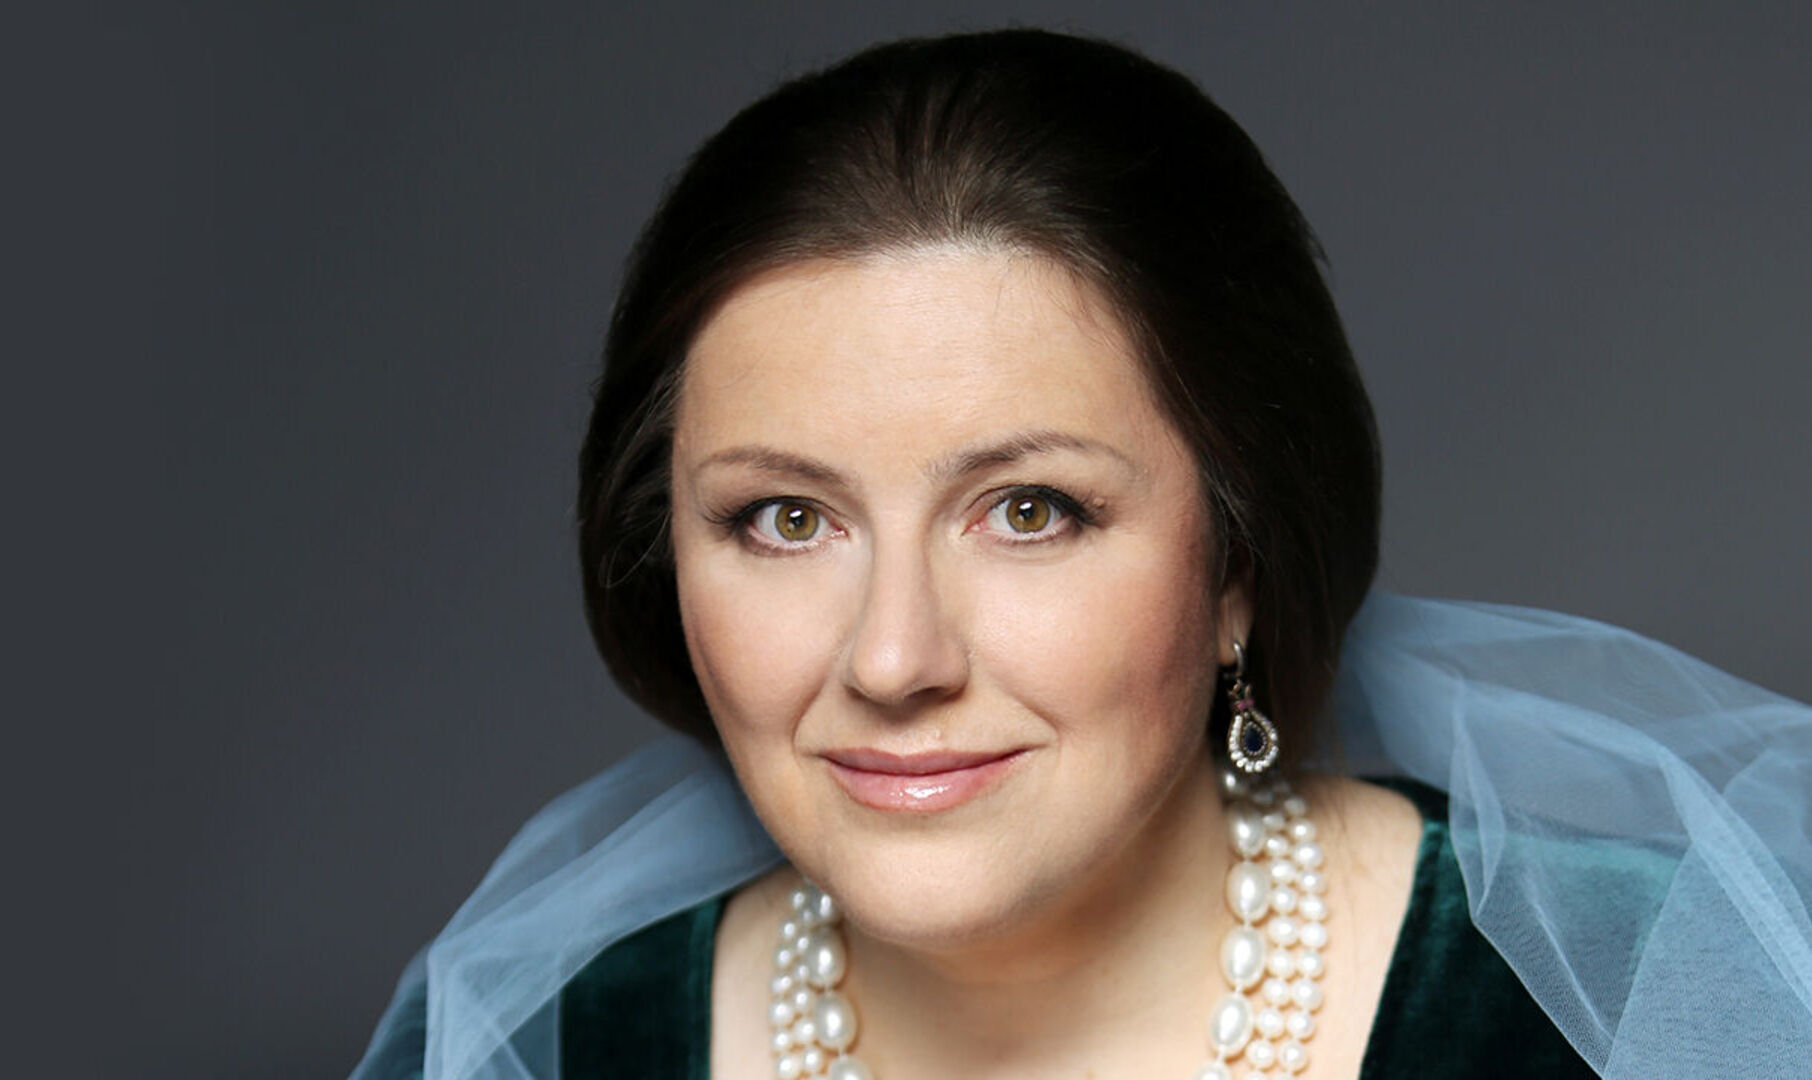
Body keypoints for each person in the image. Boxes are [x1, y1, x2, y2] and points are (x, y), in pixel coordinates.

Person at [351, 29, 1812, 1080]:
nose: (894, 659)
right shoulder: (552, 1044)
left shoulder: (1633, 1006)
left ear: (1237, 561)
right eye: (786, 519)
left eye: (1030, 511)